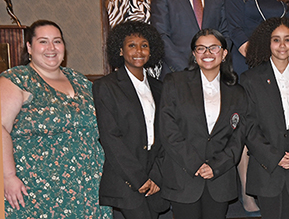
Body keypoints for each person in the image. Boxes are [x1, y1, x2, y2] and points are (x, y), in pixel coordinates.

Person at [1, 20, 111, 218]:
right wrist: (8, 177)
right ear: (29, 46)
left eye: (57, 41)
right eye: (43, 41)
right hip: (37, 190)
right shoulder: (17, 79)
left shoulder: (80, 80)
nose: (51, 48)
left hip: (88, 188)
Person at [225, 0, 289, 212]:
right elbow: (234, 30)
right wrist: (260, 56)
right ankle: (247, 192)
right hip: (247, 66)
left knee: (267, 128)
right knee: (246, 130)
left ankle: (267, 186)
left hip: (274, 67)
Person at [157, 29, 246, 219]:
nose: (207, 53)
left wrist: (216, 165)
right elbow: (167, 129)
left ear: (224, 54)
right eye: (201, 48)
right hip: (184, 176)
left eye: (213, 48)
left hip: (219, 179)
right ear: (193, 54)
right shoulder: (174, 82)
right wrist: (195, 163)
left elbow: (238, 137)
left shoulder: (237, 92)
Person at [93, 21, 169, 219]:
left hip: (154, 179)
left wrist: (155, 175)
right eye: (131, 45)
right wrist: (139, 178)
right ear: (120, 50)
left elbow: (165, 135)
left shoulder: (159, 87)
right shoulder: (106, 86)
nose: (139, 51)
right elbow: (110, 138)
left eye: (144, 45)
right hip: (125, 179)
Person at [241, 17, 289, 219]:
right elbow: (248, 126)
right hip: (267, 168)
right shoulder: (251, 79)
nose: (282, 45)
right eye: (276, 40)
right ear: (267, 43)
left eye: (287, 39)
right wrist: (275, 156)